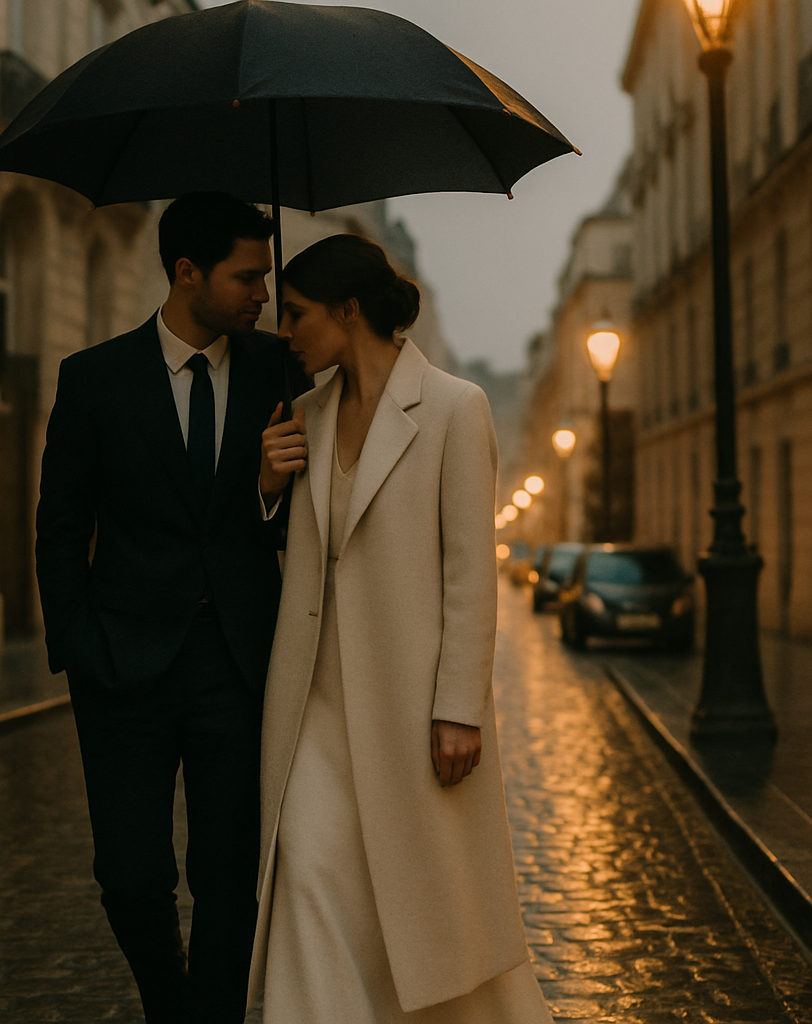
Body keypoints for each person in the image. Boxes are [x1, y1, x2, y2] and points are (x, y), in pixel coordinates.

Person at [252, 234, 554, 1023]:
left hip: (411, 703)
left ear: (348, 312)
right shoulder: (303, 415)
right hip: (312, 705)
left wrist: (460, 705)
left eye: (299, 315)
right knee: (308, 876)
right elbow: (285, 547)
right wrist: (265, 487)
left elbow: (470, 572)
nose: (285, 332)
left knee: (425, 909)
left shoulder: (457, 407)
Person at [35, 192, 308, 1024]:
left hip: (235, 661)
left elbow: (319, 517)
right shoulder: (94, 379)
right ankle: (173, 1007)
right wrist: (77, 643)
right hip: (122, 666)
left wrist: (270, 494)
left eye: (265, 276)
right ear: (188, 272)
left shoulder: (280, 372)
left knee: (229, 874)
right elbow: (60, 524)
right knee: (130, 874)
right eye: (247, 276)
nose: (264, 294)